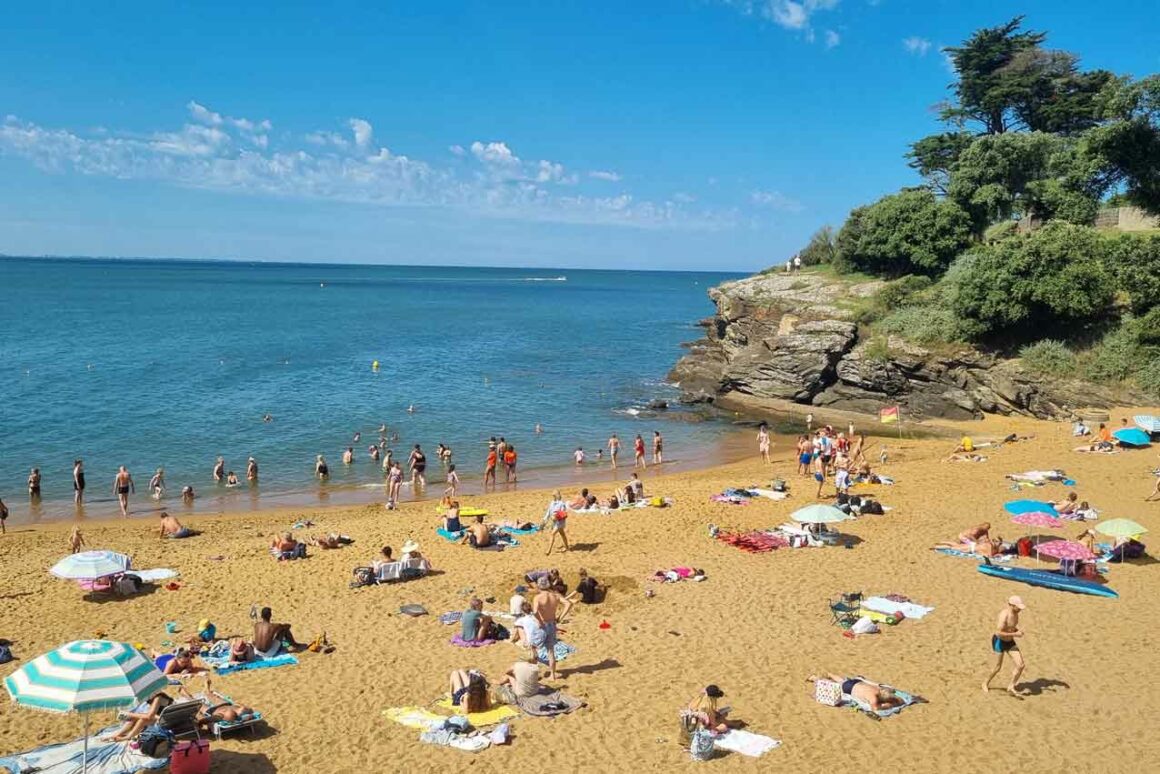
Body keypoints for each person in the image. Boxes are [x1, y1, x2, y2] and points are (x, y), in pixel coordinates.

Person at [983, 596, 1027, 695]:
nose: (1020, 609)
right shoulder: (1004, 615)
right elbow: (999, 632)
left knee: (1020, 665)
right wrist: (1015, 634)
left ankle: (1011, 686)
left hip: (1010, 642)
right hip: (999, 641)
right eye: (1018, 607)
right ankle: (985, 683)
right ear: (1011, 605)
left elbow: (1011, 627)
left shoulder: (1016, 614)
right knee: (997, 667)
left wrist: (1017, 631)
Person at [532, 575, 573, 679]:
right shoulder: (555, 595)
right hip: (552, 624)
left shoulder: (538, 597)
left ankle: (532, 673)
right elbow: (568, 604)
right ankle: (553, 675)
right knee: (550, 651)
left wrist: (540, 621)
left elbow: (535, 611)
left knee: (533, 647)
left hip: (543, 625)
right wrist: (560, 617)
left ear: (539, 585)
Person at [104, 690, 174, 742]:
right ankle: (117, 734)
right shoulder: (151, 697)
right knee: (134, 718)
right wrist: (130, 715)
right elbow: (150, 714)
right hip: (158, 717)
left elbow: (150, 716)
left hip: (166, 719)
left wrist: (129, 714)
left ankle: (127, 737)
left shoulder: (158, 697)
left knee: (142, 720)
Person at [810, 674, 906, 711]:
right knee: (837, 685)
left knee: (842, 681)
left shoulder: (878, 689)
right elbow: (875, 708)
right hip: (849, 688)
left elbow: (889, 689)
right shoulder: (873, 698)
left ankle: (830, 674)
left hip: (856, 682)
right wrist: (889, 705)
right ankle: (815, 678)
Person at [543, 491, 570, 555]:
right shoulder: (552, 503)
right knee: (562, 534)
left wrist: (555, 517)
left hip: (560, 522)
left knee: (552, 534)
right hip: (555, 522)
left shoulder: (561, 504)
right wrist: (545, 519)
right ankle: (567, 547)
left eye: (554, 495)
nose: (553, 497)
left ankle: (548, 550)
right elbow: (549, 511)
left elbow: (563, 513)